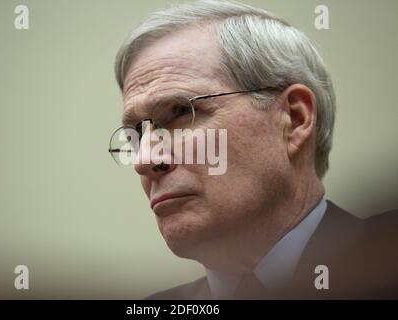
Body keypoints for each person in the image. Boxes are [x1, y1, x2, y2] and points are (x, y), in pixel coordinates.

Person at [108, 0, 398, 299]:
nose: (143, 160)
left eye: (181, 111)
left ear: (294, 119)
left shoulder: (386, 270)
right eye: (136, 134)